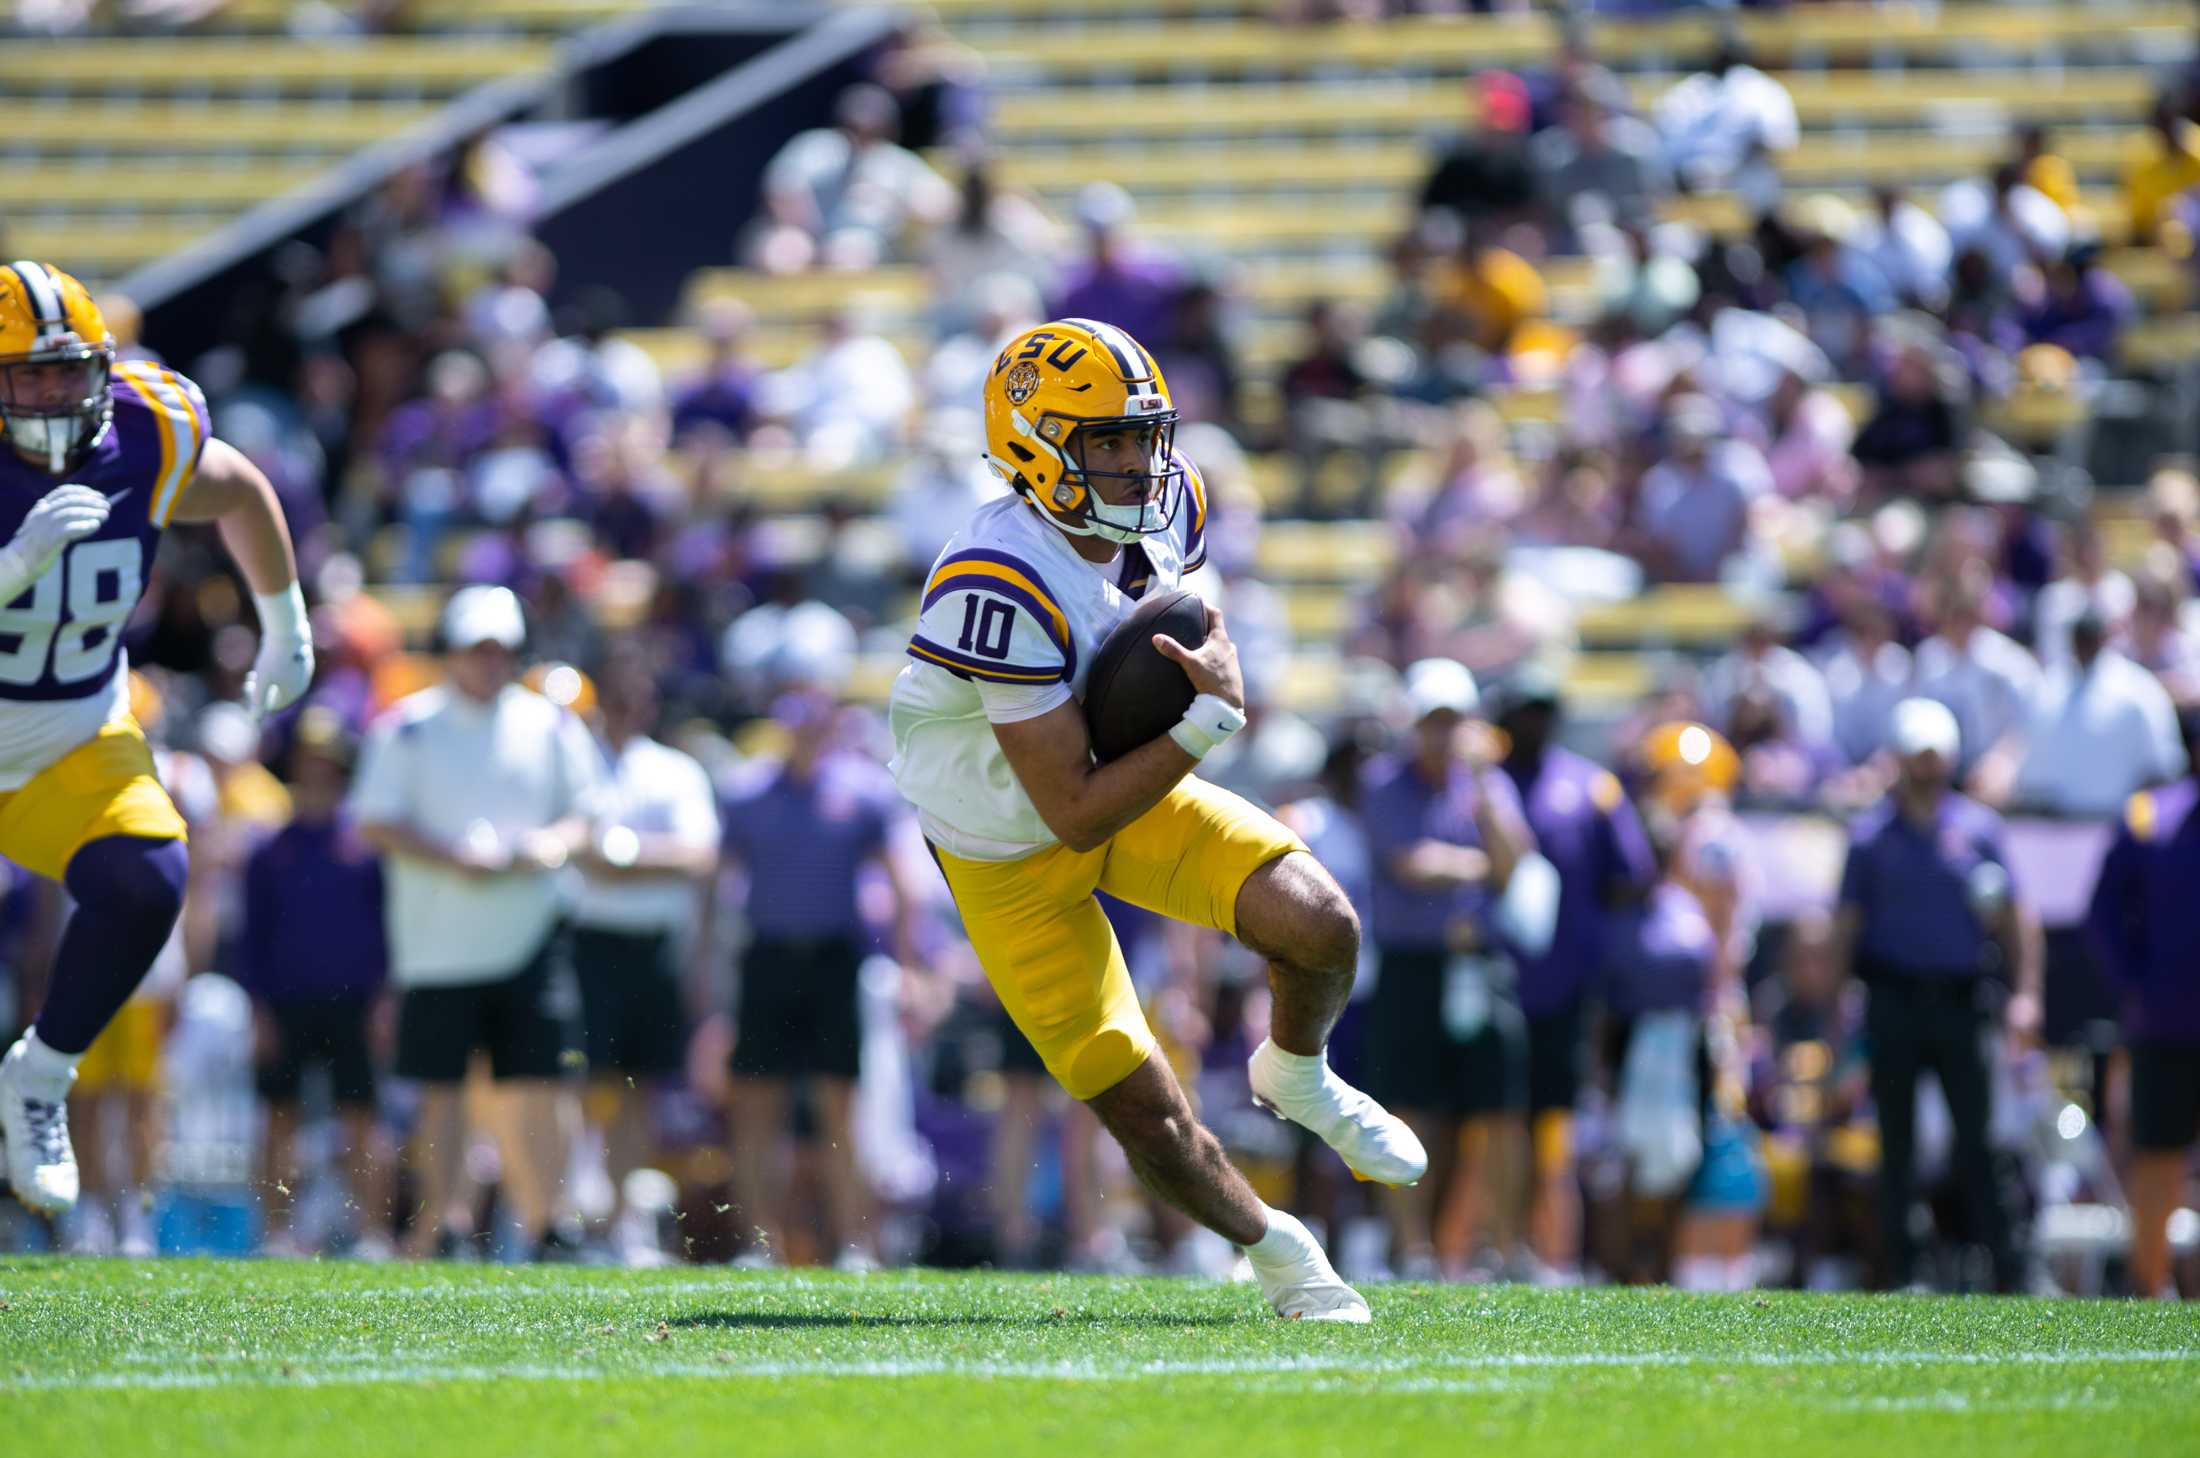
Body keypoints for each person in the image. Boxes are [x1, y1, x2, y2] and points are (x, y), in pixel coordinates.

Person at [890, 318, 1428, 1321]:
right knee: (1146, 1110)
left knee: (1321, 925)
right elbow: (1073, 813)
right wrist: (1212, 717)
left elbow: (1178, 631)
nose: (1137, 461)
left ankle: (1296, 1071)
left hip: (1111, 776)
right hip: (1007, 845)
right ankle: (1281, 1254)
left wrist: (1193, 693)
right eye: (1104, 441)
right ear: (1032, 445)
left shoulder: (1174, 498)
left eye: (1144, 435)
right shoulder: (990, 579)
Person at [0, 262, 315, 1219]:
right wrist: (15, 562)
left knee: (148, 876)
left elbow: (240, 491)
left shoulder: (145, 428)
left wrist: (285, 620)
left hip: (69, 728)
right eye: (28, 374)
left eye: (69, 371)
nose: (53, 395)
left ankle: (40, 1077)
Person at [349, 585, 604, 1260]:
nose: (490, 663)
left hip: (530, 933)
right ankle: (446, 1225)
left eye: (501, 651)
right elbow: (375, 820)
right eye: (477, 650)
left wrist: (548, 846)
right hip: (437, 945)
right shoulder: (406, 728)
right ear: (452, 653)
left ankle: (551, 1224)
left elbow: (586, 815)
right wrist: (451, 857)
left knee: (541, 1085)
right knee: (443, 1091)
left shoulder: (550, 725)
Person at [1832, 698, 2039, 1292]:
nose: (1925, 769)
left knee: (1980, 1144)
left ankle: (2009, 1270)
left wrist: (2026, 994)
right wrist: (1837, 1010)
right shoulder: (1870, 838)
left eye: (1933, 757)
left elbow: (2015, 919)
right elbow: (1847, 926)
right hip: (1893, 1000)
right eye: (1915, 758)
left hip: (1961, 1000)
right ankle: (1907, 1272)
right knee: (1895, 1145)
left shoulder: (1978, 830)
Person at [1359, 659, 1555, 1281]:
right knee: (1412, 1106)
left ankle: (1506, 1248)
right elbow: (1411, 863)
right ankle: (1413, 1249)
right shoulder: (1385, 783)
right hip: (1412, 964)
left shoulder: (1486, 784)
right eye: (1432, 722)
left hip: (1479, 963)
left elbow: (1516, 859)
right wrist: (1482, 867)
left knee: (1499, 1107)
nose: (1443, 735)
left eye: (1452, 721)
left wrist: (1481, 795)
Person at [719, 689, 917, 1271]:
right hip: (767, 959)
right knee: (757, 1108)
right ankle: (760, 1245)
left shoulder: (863, 792)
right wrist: (708, 974)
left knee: (840, 1107)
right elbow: (717, 885)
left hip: (835, 962)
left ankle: (853, 1244)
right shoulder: (748, 793)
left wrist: (909, 968)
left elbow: (900, 883)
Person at [1494, 665, 1653, 1282]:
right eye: (1521, 711)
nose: (1531, 722)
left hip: (1568, 987)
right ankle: (1498, 1243)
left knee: (1556, 1120)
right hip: (1495, 980)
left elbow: (1630, 878)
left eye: (1541, 710)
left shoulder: (1591, 788)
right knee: (1495, 1115)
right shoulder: (1484, 785)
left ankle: (1556, 1248)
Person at [563, 663, 718, 1264]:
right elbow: (574, 851)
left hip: (650, 948)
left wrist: (620, 857)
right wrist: (641, 860)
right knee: (581, 1083)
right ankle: (576, 1217)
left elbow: (698, 855)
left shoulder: (674, 771)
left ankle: (622, 1221)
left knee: (636, 1087)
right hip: (587, 942)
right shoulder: (578, 763)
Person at [239, 708, 390, 1257]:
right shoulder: (266, 849)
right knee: (279, 1117)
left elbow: (386, 930)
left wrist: (385, 1001)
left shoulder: (366, 847)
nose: (317, 771)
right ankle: (274, 1234)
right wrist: (257, 1012)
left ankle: (372, 1233)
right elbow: (250, 937)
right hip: (285, 1002)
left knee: (362, 1118)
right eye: (309, 760)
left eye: (327, 761)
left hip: (355, 999)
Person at [2084, 711, 2200, 1299]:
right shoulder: (2149, 815)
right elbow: (2103, 914)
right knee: (2157, 1159)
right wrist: (2136, 984)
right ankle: (2148, 1291)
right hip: (2167, 1024)